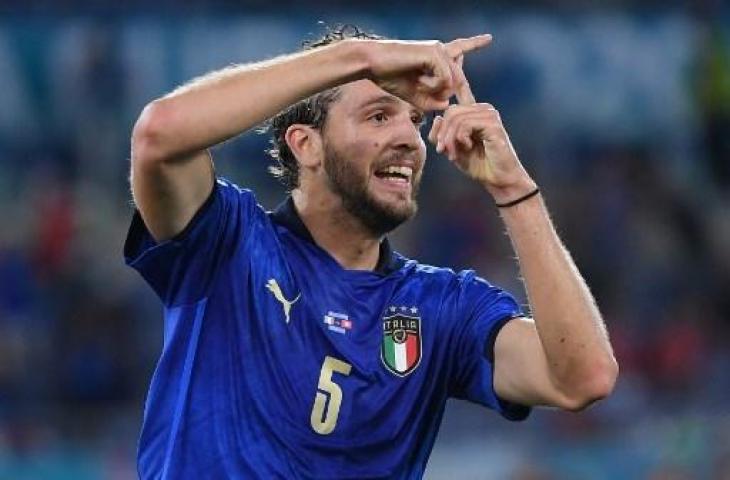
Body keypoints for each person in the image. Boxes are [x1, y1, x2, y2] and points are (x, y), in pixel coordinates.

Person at [125, 25, 618, 479]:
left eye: (414, 120)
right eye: (379, 116)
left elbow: (583, 377)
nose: (409, 139)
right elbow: (159, 134)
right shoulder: (228, 243)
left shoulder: (441, 307)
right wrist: (359, 57)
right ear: (306, 145)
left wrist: (513, 188)